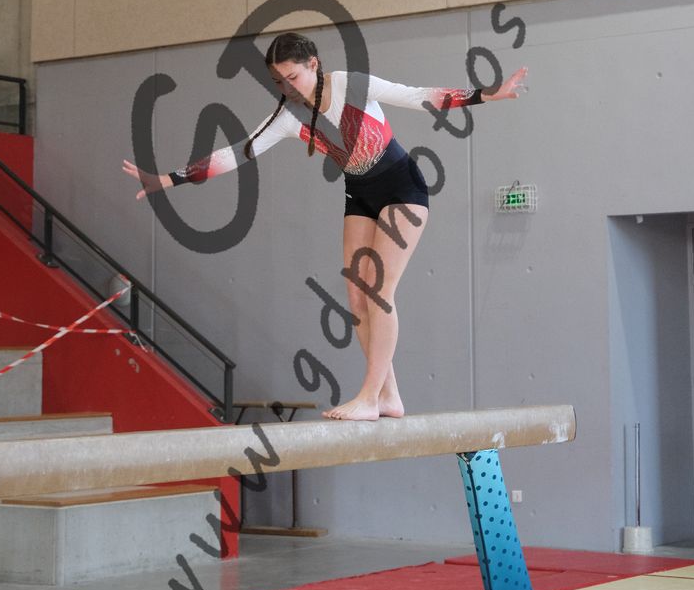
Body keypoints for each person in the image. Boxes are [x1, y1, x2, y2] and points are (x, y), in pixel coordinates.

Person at [123, 32, 527, 421]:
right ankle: (388, 395)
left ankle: (369, 395)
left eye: (293, 77)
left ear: (313, 64)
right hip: (359, 193)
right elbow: (239, 152)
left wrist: (486, 94)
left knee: (379, 291)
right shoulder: (288, 115)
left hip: (402, 186)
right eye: (278, 82)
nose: (287, 88)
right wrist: (168, 179)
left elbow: (418, 96)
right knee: (356, 297)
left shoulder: (352, 85)